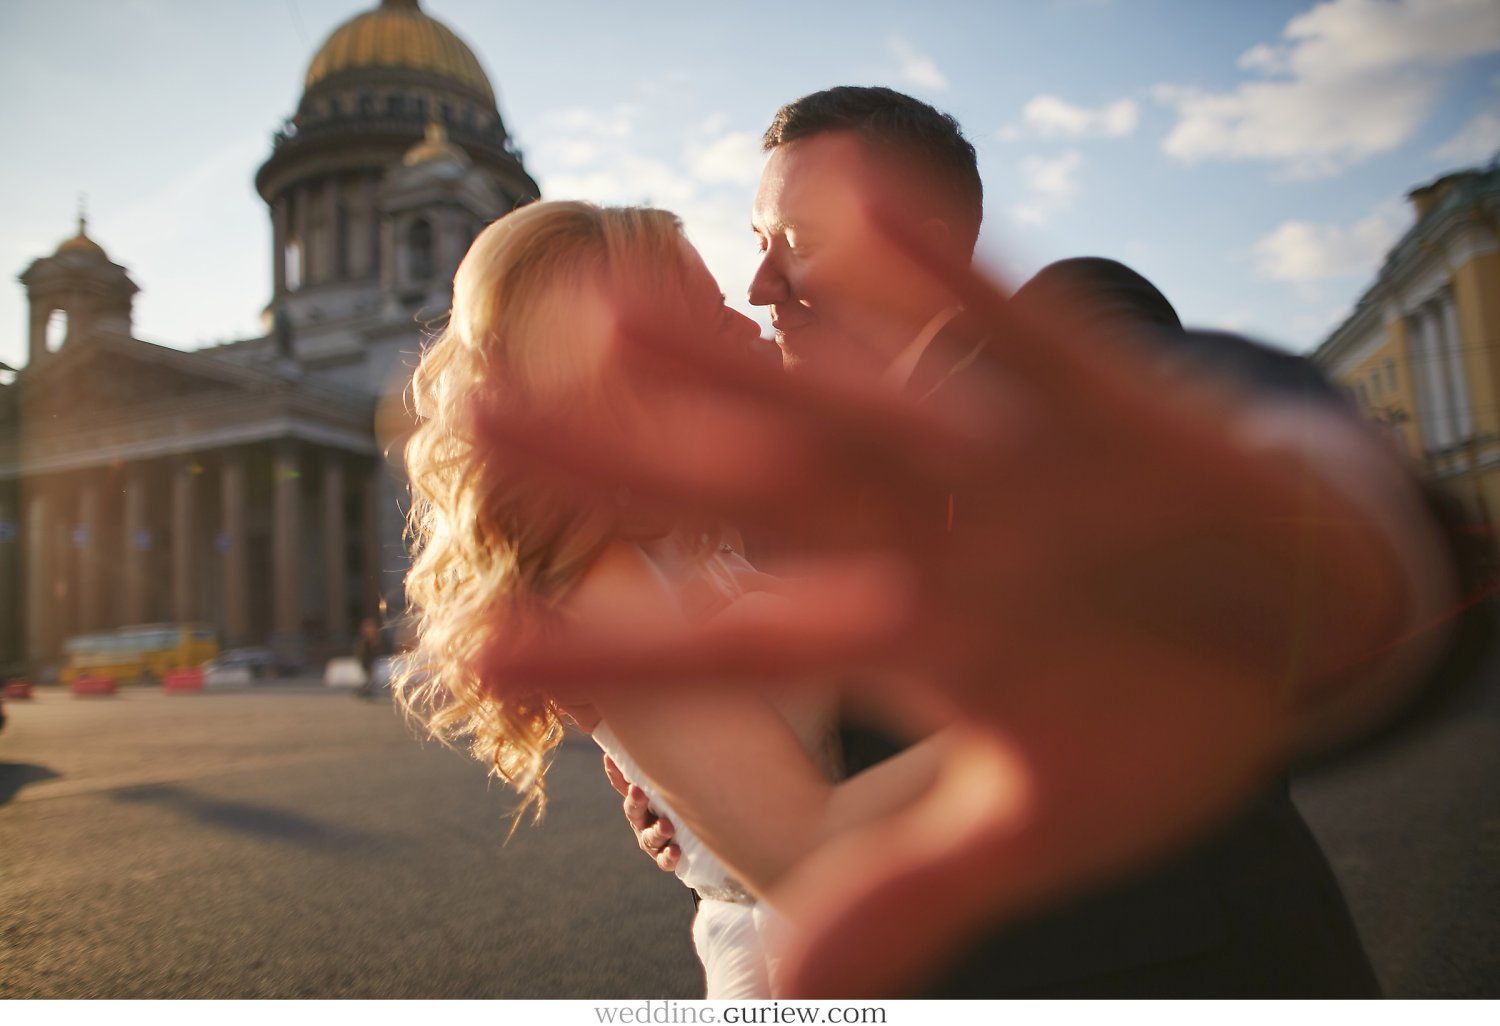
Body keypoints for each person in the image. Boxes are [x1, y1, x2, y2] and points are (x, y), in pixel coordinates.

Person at [481, 87, 1485, 997]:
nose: (758, 283)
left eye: (799, 237)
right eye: (753, 238)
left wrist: (1351, 535)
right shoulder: (772, 489)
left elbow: (1235, 442)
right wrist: (701, 808)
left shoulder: (1069, 332)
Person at [395, 199, 953, 999]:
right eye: (702, 311)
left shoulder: (683, 531)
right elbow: (803, 849)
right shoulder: (597, 580)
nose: (745, 320)